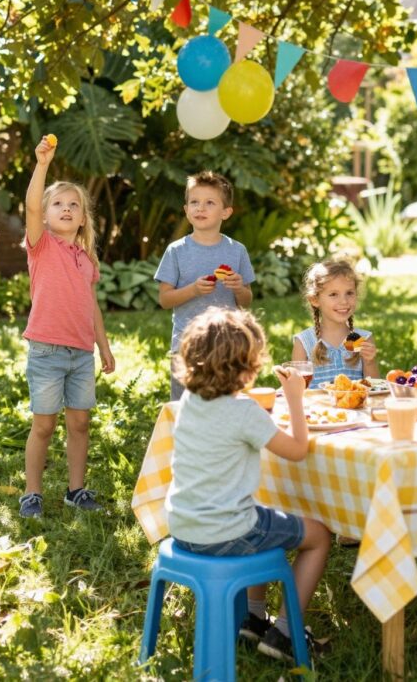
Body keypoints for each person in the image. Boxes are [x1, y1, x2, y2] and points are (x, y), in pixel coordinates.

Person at [165, 307, 331, 665]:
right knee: (317, 535)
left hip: (182, 526)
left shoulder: (188, 403)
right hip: (225, 530)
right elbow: (299, 450)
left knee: (265, 516)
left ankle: (254, 619)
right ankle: (286, 633)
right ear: (245, 367)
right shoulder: (244, 413)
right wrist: (296, 399)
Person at [18, 135, 116, 519]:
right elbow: (29, 205)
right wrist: (42, 164)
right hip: (46, 350)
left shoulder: (85, 257)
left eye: (74, 205)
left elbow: (91, 306)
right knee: (43, 426)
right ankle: (32, 493)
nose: (66, 208)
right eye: (57, 203)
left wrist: (103, 346)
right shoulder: (40, 245)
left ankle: (76, 490)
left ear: (82, 218)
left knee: (80, 422)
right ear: (43, 216)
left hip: (80, 354)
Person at [155, 171, 255, 400]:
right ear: (186, 210)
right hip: (186, 346)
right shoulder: (176, 251)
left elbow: (246, 300)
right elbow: (164, 299)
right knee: (184, 406)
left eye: (210, 202)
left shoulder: (237, 250)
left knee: (226, 404)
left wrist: (239, 288)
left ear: (226, 212)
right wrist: (193, 290)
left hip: (227, 344)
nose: (200, 208)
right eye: (194, 202)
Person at [292, 259, 379, 387]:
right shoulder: (304, 342)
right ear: (315, 300)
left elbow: (375, 387)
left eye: (349, 293)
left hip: (354, 406)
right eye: (333, 294)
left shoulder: (362, 339)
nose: (344, 301)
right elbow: (296, 388)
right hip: (317, 407)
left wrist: (369, 362)